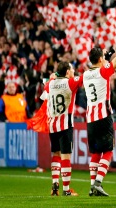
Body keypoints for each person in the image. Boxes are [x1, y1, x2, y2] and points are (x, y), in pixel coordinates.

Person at [82, 45, 116, 197]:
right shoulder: (103, 71)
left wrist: (106, 59)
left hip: (90, 118)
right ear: (100, 59)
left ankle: (91, 186)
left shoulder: (85, 74)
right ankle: (98, 183)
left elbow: (102, 67)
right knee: (108, 151)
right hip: (103, 116)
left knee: (95, 152)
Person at [42, 62, 84, 196]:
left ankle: (55, 186)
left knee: (56, 154)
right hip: (65, 125)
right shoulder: (71, 83)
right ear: (67, 72)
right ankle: (66, 190)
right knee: (66, 156)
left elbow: (46, 86)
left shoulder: (50, 84)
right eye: (72, 69)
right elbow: (85, 77)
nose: (73, 71)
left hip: (52, 125)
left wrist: (51, 77)